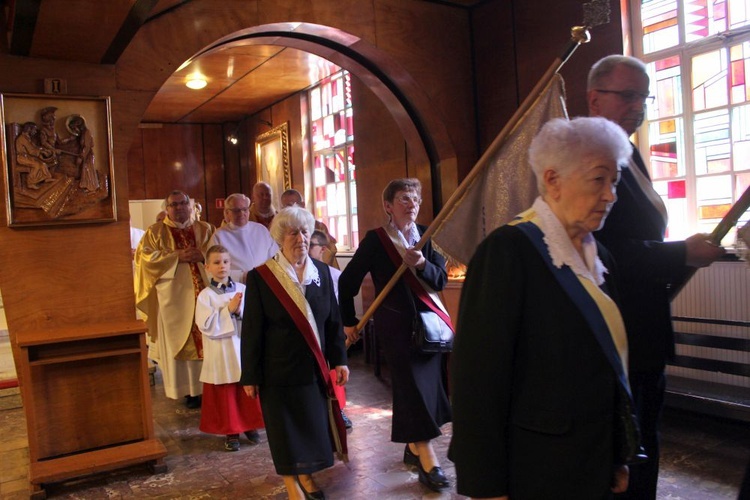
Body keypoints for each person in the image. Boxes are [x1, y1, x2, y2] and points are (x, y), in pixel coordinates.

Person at [450, 116, 637, 499]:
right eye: (598, 179)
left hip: (594, 462)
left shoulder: (601, 257)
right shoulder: (508, 252)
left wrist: (618, 454)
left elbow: (609, 368)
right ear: (552, 180)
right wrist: (485, 486)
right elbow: (478, 382)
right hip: (539, 468)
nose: (611, 195)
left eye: (614, 180)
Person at [588, 54, 726, 499]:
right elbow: (602, 253)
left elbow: (637, 235)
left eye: (643, 96)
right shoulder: (592, 158)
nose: (639, 105)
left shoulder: (627, 154)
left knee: (644, 442)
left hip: (644, 328)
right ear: (594, 98)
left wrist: (682, 251)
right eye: (627, 95)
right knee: (630, 451)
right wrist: (681, 253)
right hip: (619, 333)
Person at [338, 178, 452, 492]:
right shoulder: (376, 240)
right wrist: (349, 321)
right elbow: (347, 282)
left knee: (421, 388)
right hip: (397, 328)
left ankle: (413, 447)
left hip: (429, 327)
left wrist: (423, 265)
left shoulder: (428, 235)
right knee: (412, 386)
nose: (411, 203)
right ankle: (429, 458)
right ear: (388, 206)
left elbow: (440, 279)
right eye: (403, 198)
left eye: (414, 198)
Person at [240, 206, 349, 500]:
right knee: (285, 432)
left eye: (304, 231)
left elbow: (333, 322)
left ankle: (307, 476)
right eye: (292, 232)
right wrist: (250, 374)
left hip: (313, 371)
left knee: (311, 428)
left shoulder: (323, 273)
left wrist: (339, 359)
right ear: (279, 237)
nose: (300, 238)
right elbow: (251, 330)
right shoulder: (262, 277)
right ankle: (292, 487)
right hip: (277, 373)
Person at [135, 190, 215, 409]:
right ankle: (189, 390)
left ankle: (211, 386)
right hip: (173, 299)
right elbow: (145, 259)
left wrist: (204, 255)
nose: (179, 208)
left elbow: (218, 253)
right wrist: (176, 256)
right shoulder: (155, 232)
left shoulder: (206, 229)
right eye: (174, 205)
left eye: (183, 203)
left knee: (209, 339)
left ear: (191, 206)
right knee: (181, 342)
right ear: (166, 208)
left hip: (205, 295)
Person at [195, 245, 264, 451]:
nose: (222, 266)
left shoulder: (243, 290)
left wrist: (240, 310)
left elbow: (254, 318)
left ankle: (250, 426)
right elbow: (206, 325)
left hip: (242, 346)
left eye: (225, 262)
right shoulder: (205, 296)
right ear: (207, 267)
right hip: (221, 350)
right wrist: (229, 310)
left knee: (247, 386)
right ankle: (231, 431)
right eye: (216, 262)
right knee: (227, 392)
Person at [309, 229, 351, 429]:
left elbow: (337, 307)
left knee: (335, 375)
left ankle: (339, 411)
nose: (305, 249)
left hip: (329, 332)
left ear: (322, 249)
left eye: (311, 246)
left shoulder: (333, 275)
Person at [208, 193, 278, 284]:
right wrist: (242, 276)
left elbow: (275, 257)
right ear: (227, 213)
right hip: (235, 286)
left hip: (263, 283)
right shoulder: (219, 236)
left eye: (245, 209)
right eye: (236, 210)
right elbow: (212, 268)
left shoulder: (261, 230)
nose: (241, 213)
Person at [281, 189, 339, 268]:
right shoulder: (280, 228)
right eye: (288, 206)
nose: (293, 209)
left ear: (303, 204)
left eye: (295, 204)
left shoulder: (318, 226)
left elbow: (329, 250)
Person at [14, 122, 54, 189]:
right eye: (34, 130)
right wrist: (41, 152)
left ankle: (47, 177)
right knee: (36, 165)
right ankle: (30, 183)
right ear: (29, 129)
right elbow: (31, 151)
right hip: (22, 158)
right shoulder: (22, 138)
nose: (35, 132)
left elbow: (34, 147)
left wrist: (42, 150)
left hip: (28, 157)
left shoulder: (27, 137)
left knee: (43, 164)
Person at [67, 114, 98, 193]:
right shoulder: (82, 134)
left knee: (88, 169)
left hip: (88, 154)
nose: (74, 130)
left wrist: (81, 156)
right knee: (84, 170)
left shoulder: (87, 132)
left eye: (74, 128)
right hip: (85, 154)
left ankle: (92, 188)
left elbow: (87, 146)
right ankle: (86, 186)